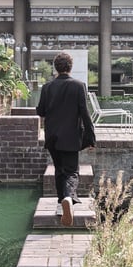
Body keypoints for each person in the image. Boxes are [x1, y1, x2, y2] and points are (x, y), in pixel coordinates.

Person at [36, 52, 96, 226]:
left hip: (52, 136)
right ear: (70, 67)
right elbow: (85, 114)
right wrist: (91, 138)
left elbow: (40, 111)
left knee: (59, 169)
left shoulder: (47, 87)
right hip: (71, 137)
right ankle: (68, 198)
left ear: (55, 67)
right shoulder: (79, 86)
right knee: (71, 172)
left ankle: (61, 201)